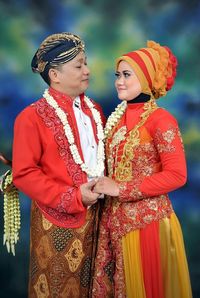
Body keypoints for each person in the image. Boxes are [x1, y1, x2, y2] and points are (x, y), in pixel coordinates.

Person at [92, 40, 192, 297]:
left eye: (127, 75)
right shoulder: (116, 120)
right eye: (118, 75)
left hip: (146, 225)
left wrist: (121, 188)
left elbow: (177, 175)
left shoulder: (161, 120)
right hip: (112, 222)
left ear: (146, 78)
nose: (119, 81)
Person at [12, 32, 105, 298]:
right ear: (55, 74)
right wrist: (74, 196)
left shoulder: (95, 111)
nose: (87, 71)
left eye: (85, 63)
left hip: (99, 220)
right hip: (57, 226)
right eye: (79, 65)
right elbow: (25, 174)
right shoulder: (30, 117)